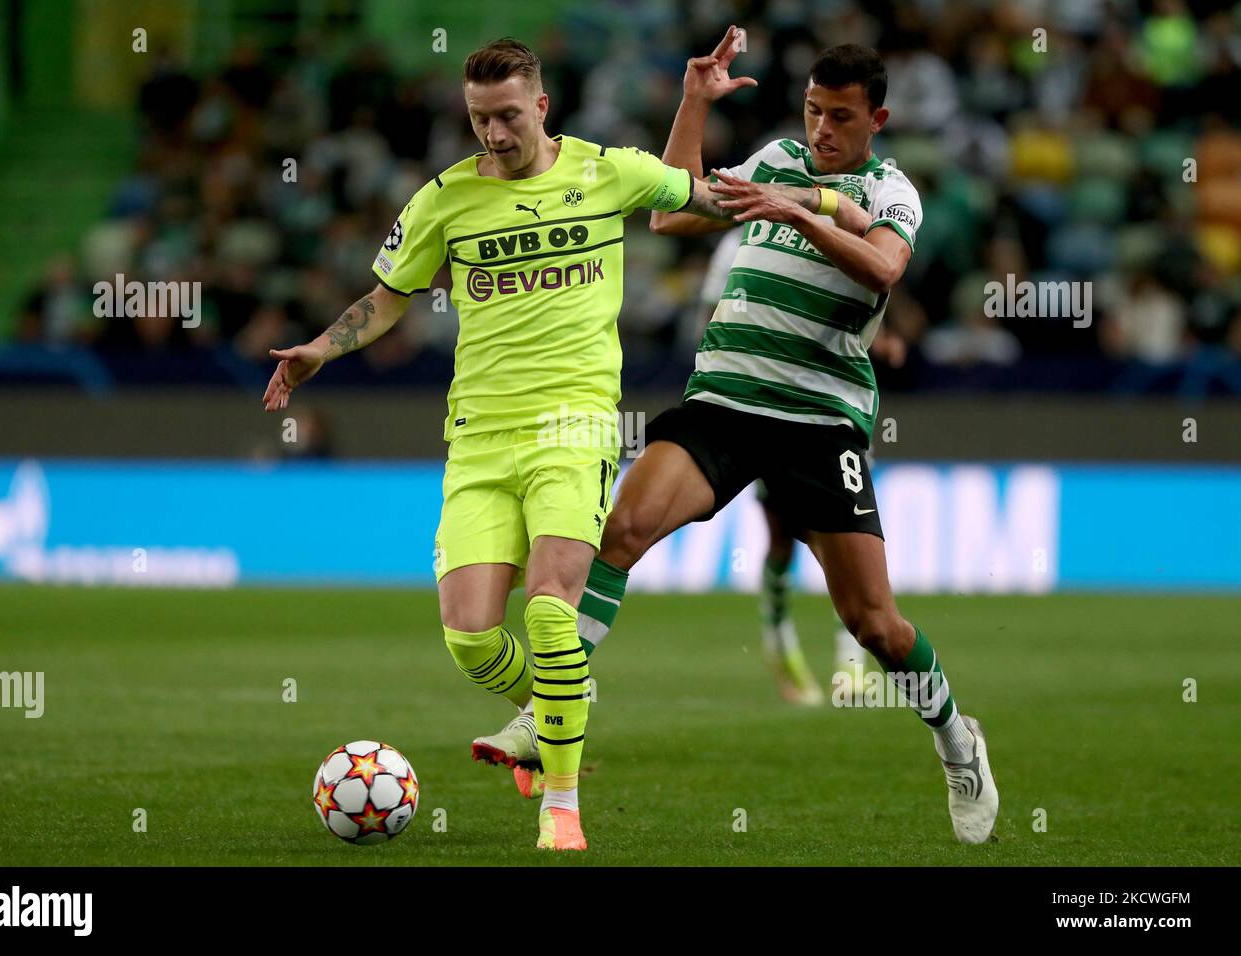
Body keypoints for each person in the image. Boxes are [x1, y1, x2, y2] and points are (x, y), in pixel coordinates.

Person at [262, 36, 833, 851]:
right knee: (469, 638)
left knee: (553, 610)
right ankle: (561, 703)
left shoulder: (609, 171)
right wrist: (322, 346)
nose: (492, 134)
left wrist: (826, 209)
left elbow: (705, 200)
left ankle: (559, 806)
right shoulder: (443, 201)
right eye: (477, 120)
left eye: (505, 116)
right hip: (479, 438)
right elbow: (387, 300)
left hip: (574, 427)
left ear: (541, 105)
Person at [489, 35, 1000, 844]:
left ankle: (955, 739)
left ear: (878, 119)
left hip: (817, 419)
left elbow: (884, 270)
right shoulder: (774, 159)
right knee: (619, 530)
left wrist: (802, 207)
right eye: (812, 110)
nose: (821, 128)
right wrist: (695, 101)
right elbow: (669, 210)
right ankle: (549, 704)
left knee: (876, 626)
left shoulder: (891, 189)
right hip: (723, 399)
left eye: (840, 116)